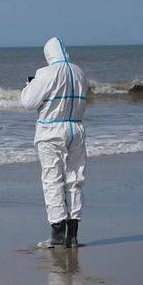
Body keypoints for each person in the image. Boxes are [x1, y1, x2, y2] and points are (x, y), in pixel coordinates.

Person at [20, 37, 88, 248]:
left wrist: (29, 85)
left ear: (48, 54)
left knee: (52, 179)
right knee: (75, 178)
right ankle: (73, 234)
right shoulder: (80, 72)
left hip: (50, 131)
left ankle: (57, 234)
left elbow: (28, 102)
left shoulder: (46, 73)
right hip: (76, 128)